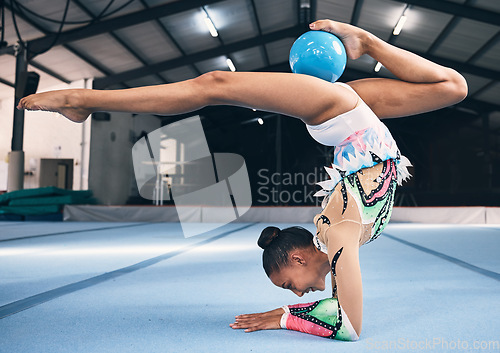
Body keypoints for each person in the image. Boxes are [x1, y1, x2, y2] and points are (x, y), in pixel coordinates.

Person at [18, 20, 467, 340]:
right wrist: (287, 315)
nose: (305, 289)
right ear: (295, 254)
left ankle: (367, 41)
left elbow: (338, 311)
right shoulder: (341, 239)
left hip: (345, 117)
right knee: (215, 83)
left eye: (293, 286)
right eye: (292, 286)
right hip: (347, 114)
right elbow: (350, 327)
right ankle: (82, 99)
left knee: (454, 88)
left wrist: (283, 314)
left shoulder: (335, 236)